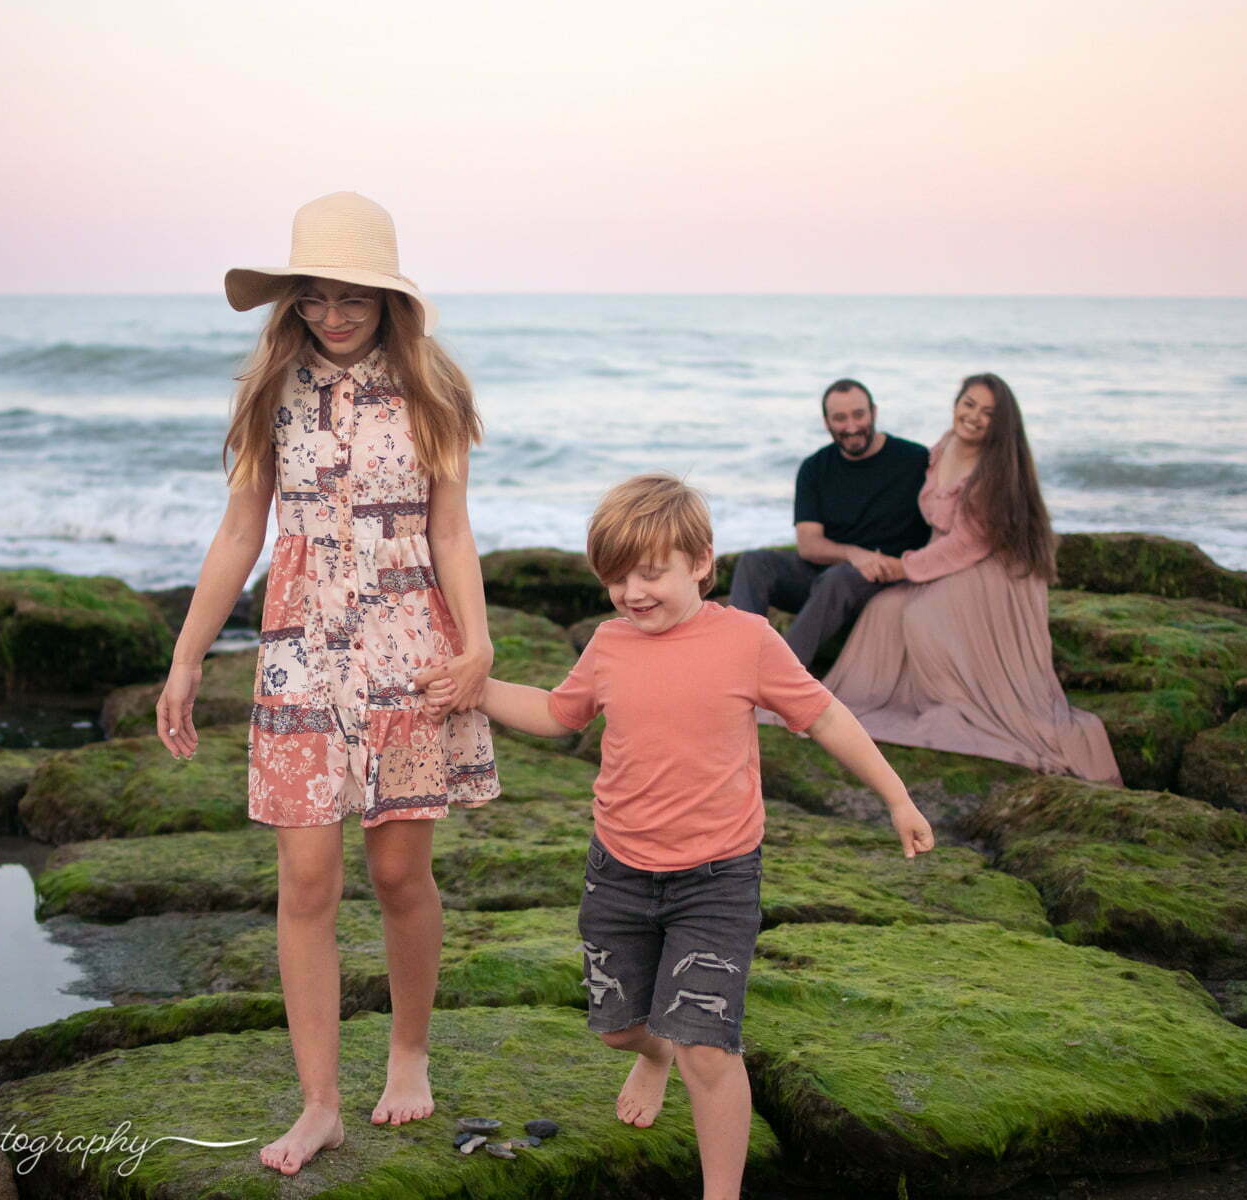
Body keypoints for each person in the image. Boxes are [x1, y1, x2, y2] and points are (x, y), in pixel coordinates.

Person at [418, 474, 932, 1200]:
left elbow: (826, 719)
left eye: (650, 572)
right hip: (619, 873)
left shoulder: (748, 641)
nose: (633, 591)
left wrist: (898, 798)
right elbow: (558, 714)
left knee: (708, 1049)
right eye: (616, 578)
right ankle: (652, 1053)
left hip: (718, 880)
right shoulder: (609, 644)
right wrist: (473, 688)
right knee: (620, 1030)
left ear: (700, 562)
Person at [154, 192, 501, 1176]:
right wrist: (185, 658)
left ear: (390, 297)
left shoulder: (434, 389)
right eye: (315, 297)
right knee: (306, 877)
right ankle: (318, 1106)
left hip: (407, 644)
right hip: (300, 645)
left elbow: (451, 529)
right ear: (292, 300)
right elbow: (239, 533)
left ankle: (408, 1053)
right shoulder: (270, 391)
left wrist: (475, 645)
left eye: (353, 297)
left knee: (397, 873)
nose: (334, 314)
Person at [820, 374, 1122, 784]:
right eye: (969, 404)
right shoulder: (943, 447)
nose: (975, 417)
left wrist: (906, 566)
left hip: (991, 571)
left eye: (988, 413)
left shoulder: (995, 469)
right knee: (884, 609)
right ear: (956, 404)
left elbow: (970, 542)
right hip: (948, 558)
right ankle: (854, 703)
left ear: (1001, 423)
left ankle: (957, 703)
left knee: (923, 616)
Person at [728, 379, 933, 667]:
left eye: (858, 415)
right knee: (753, 563)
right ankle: (737, 664)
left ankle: (780, 674)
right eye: (840, 418)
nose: (851, 426)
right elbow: (809, 544)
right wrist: (853, 553)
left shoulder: (915, 459)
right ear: (827, 422)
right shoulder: (815, 468)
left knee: (839, 579)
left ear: (873, 412)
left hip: (886, 577)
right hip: (823, 580)